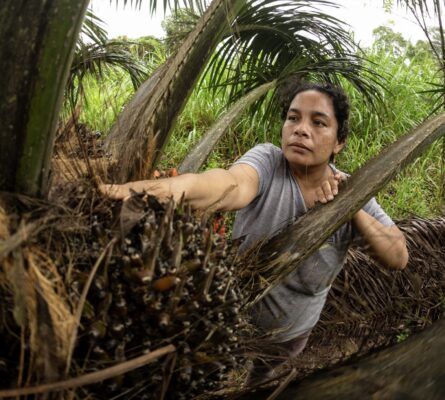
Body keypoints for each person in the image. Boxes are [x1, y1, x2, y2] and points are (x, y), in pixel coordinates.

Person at [101, 81, 408, 383]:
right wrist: (147, 191)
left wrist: (349, 207)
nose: (301, 129)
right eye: (293, 118)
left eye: (318, 122)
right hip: (229, 318)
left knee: (262, 384)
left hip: (289, 336)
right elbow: (228, 184)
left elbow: (398, 256)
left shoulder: (352, 191)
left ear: (339, 141)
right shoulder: (268, 162)